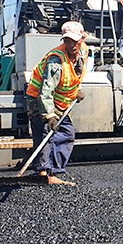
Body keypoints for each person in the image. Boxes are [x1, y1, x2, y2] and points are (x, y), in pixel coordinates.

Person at [26, 21, 88, 185]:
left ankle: (54, 171)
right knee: (46, 132)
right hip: (39, 99)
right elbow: (45, 91)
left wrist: (77, 89)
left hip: (61, 101)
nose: (71, 44)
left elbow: (76, 73)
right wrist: (49, 116)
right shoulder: (55, 61)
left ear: (82, 38)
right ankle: (43, 172)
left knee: (67, 133)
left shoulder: (83, 51)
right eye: (67, 40)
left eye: (74, 41)